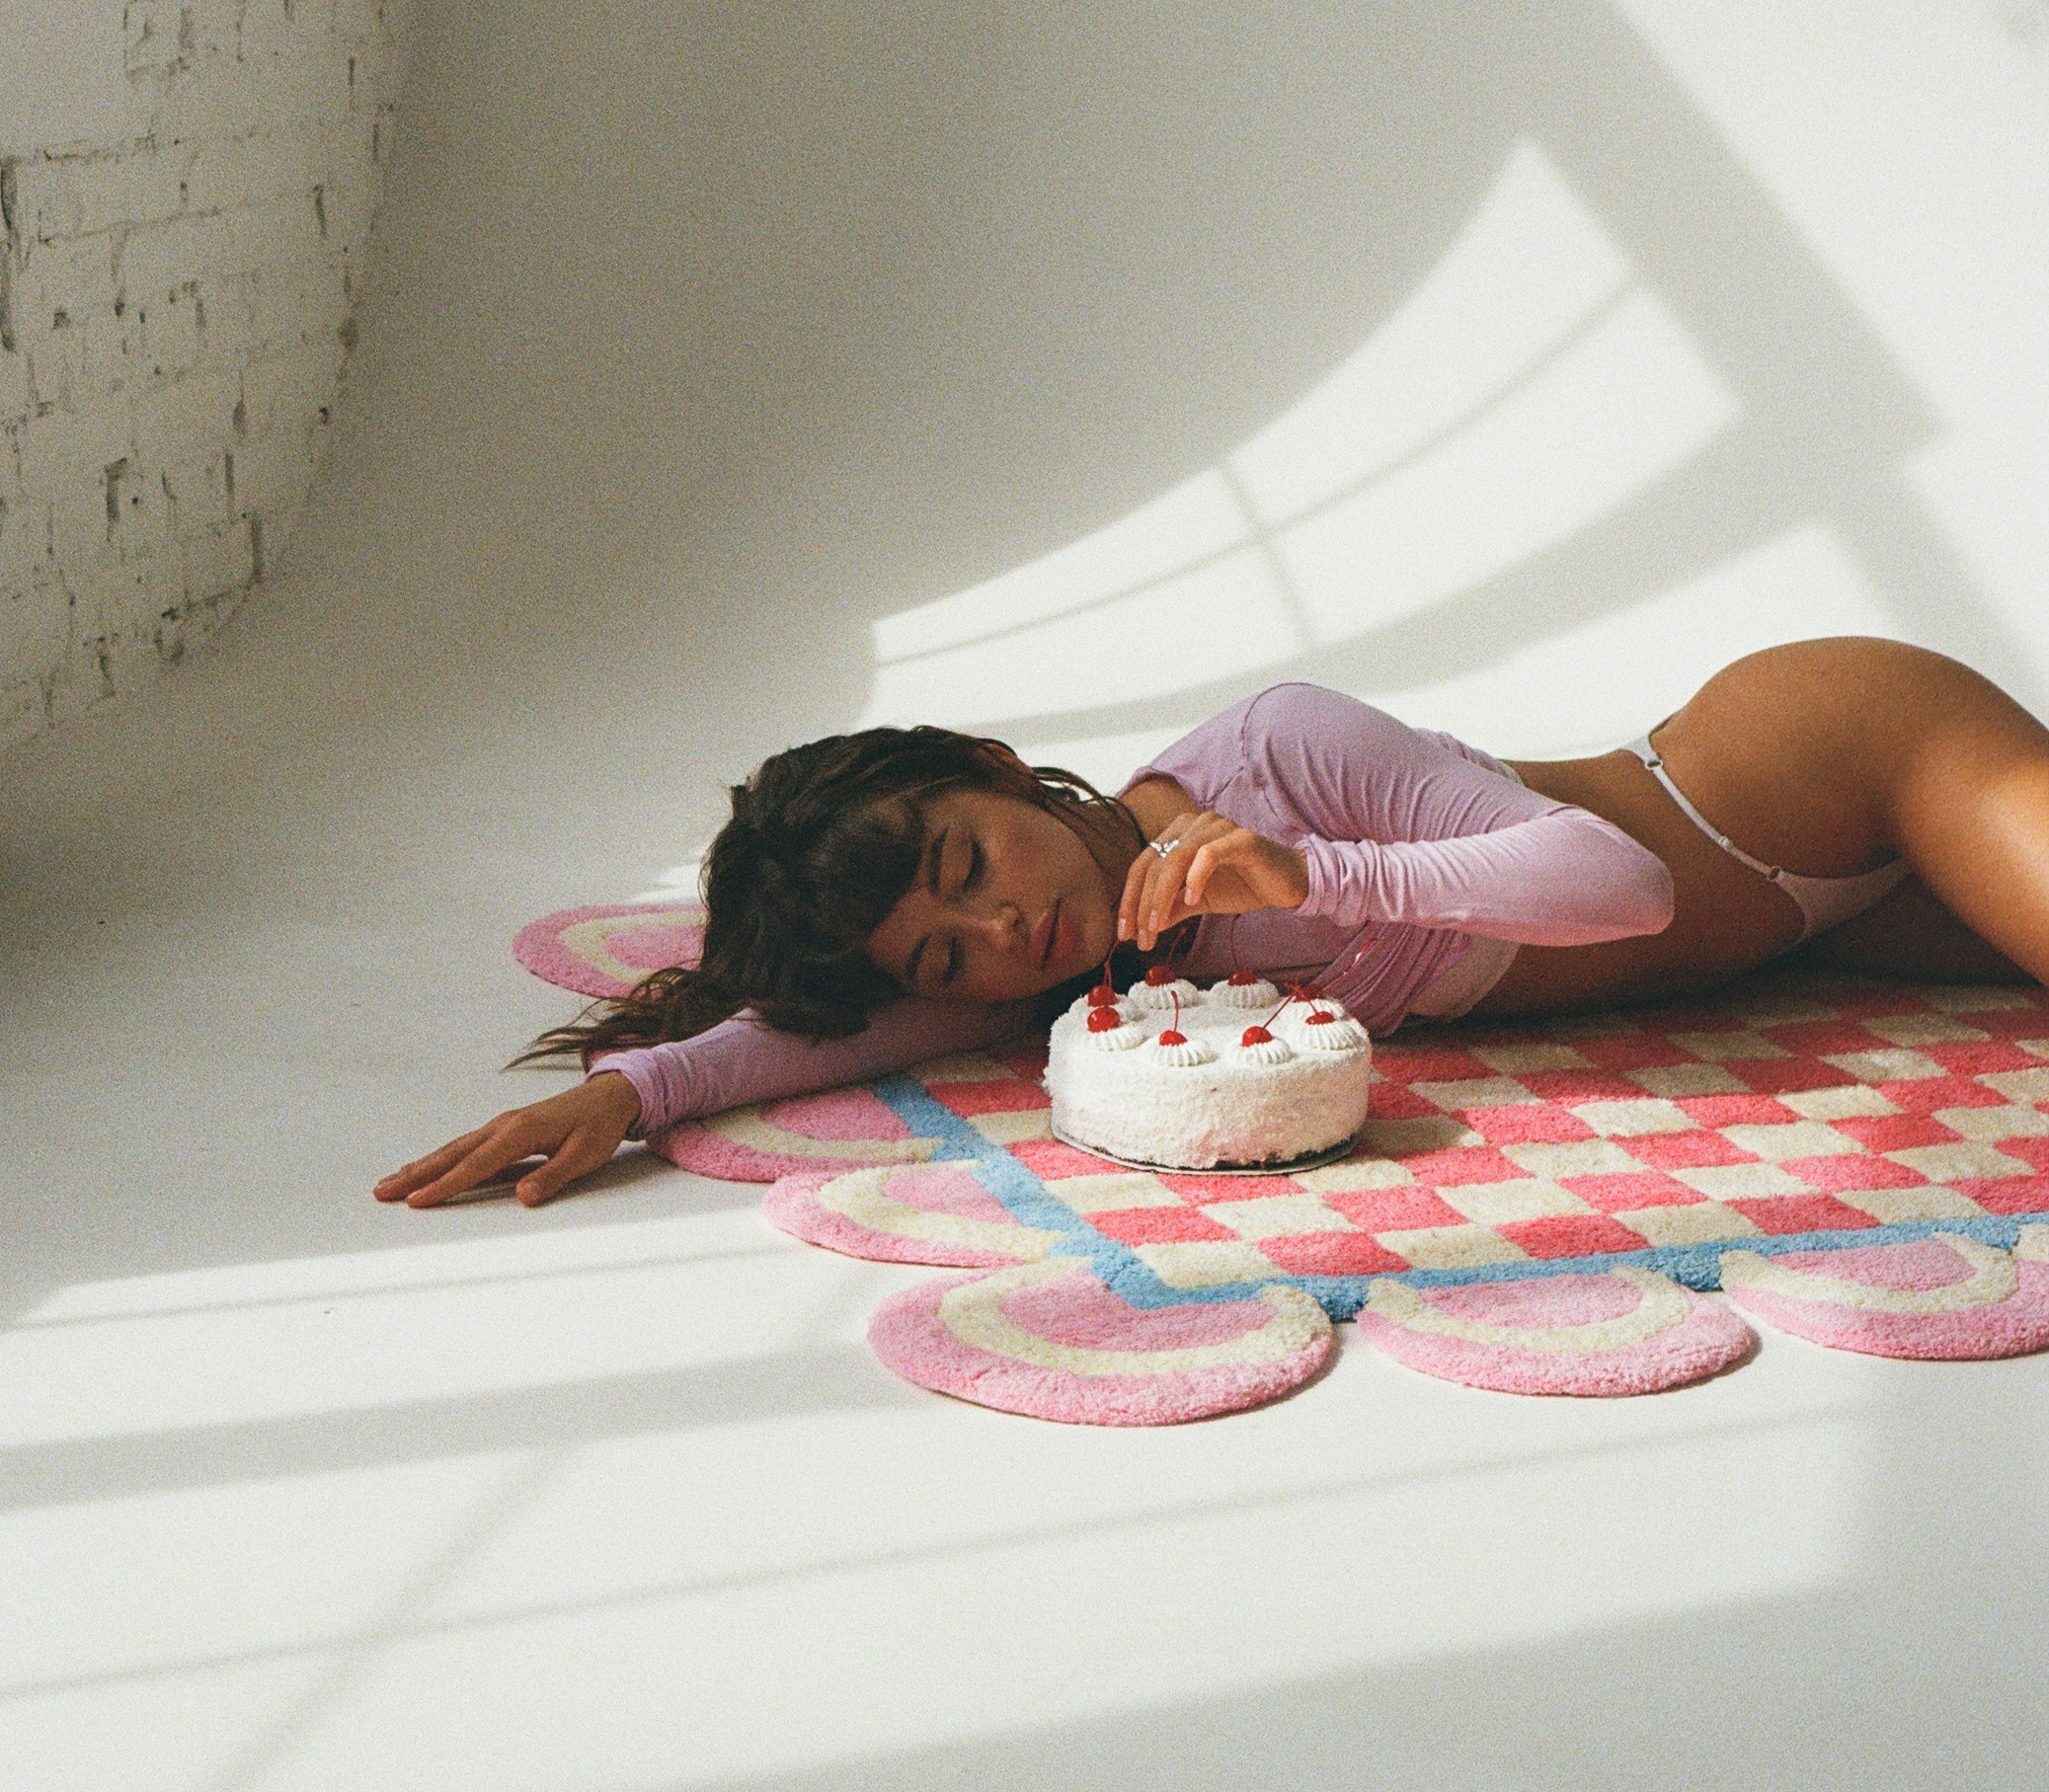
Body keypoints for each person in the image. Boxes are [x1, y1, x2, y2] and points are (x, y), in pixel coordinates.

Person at [375, 638, 2049, 1214]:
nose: (1005, 925)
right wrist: (635, 1091)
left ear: (990, 768)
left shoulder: (1281, 752)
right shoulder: (1094, 975)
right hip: (1818, 948)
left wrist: (1315, 875)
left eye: (968, 861)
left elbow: (1625, 889)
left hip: (1826, 771)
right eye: (946, 949)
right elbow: (867, 1027)